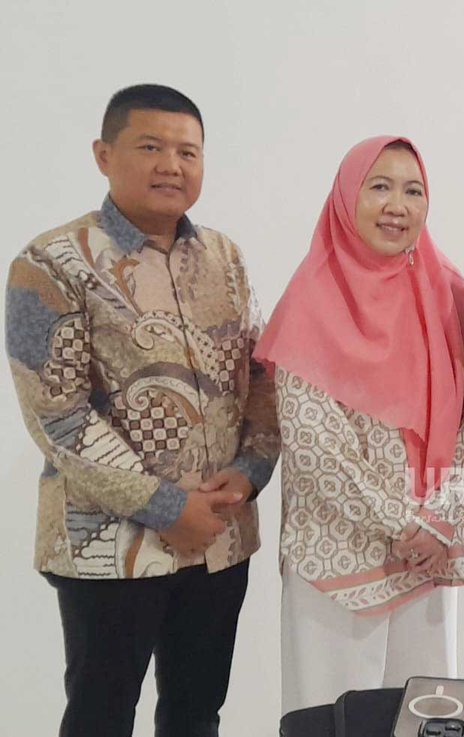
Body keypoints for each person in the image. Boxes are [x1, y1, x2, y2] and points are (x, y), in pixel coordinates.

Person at [5, 83, 279, 737]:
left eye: (188, 151)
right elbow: (60, 415)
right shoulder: (52, 262)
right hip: (109, 545)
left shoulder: (227, 260)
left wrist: (247, 473)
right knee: (102, 715)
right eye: (150, 146)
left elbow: (264, 379)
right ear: (104, 153)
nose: (171, 165)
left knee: (195, 711)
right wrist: (168, 507)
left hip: (219, 539)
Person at [255, 136, 464, 714]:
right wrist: (405, 526)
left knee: (427, 714)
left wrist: (439, 520)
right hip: (339, 554)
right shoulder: (311, 301)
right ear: (345, 199)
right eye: (378, 187)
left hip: (430, 556)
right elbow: (314, 446)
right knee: (333, 715)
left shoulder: (450, 294)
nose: (397, 205)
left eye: (413, 191)